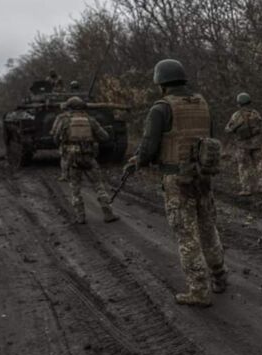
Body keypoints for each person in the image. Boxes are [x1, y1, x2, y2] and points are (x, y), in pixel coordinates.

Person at [124, 59, 228, 306]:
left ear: (161, 83)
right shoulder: (202, 103)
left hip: (177, 179)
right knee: (208, 228)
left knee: (186, 234)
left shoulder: (161, 108)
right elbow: (210, 138)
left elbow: (149, 146)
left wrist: (137, 161)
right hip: (202, 177)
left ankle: (199, 291)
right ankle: (219, 276)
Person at [51, 96, 119, 225]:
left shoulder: (63, 120)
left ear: (69, 107)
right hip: (88, 157)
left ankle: (80, 217)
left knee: (75, 189)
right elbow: (105, 137)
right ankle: (108, 214)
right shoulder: (90, 119)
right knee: (98, 186)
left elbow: (55, 138)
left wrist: (65, 145)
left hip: (72, 159)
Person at [224, 92, 262, 196]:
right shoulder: (256, 114)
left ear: (239, 103)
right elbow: (261, 128)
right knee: (258, 164)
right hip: (256, 144)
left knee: (243, 166)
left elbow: (228, 129)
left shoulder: (236, 115)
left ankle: (246, 189)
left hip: (242, 145)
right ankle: (261, 186)